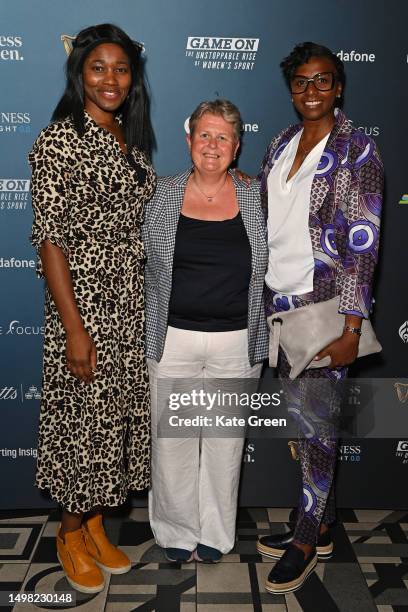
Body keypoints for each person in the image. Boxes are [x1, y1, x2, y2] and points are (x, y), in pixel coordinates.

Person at [29, 24, 156, 593]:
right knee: (84, 429)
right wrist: (74, 329)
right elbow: (50, 239)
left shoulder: (129, 139)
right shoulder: (60, 140)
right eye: (99, 67)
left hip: (130, 310)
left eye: (122, 68)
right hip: (85, 310)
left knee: (114, 429)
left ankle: (97, 525)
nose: (111, 79)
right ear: (79, 72)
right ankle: (68, 531)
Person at [256, 42, 383, 593]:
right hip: (278, 305)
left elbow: (364, 244)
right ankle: (323, 521)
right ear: (292, 90)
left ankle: (307, 538)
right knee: (306, 429)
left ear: (339, 87)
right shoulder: (280, 144)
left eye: (322, 81)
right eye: (301, 82)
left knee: (319, 430)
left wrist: (352, 328)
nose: (311, 91)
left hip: (325, 308)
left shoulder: (357, 149)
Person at [143, 99, 268, 563]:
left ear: (236, 146)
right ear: (189, 140)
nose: (212, 145)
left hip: (237, 341)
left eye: (222, 137)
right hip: (172, 337)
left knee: (223, 443)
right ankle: (176, 532)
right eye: (204, 135)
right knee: (172, 442)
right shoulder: (160, 194)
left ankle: (215, 533)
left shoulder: (258, 195)